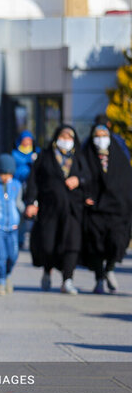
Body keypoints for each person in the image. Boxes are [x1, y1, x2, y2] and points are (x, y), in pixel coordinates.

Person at [24, 125, 88, 295]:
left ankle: (68, 279)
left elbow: (89, 177)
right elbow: (33, 181)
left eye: (70, 137)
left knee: (72, 244)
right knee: (48, 244)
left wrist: (79, 180)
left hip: (72, 209)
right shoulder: (45, 156)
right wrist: (31, 202)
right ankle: (47, 270)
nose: (66, 140)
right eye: (63, 136)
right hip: (49, 209)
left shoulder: (79, 157)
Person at [80, 125, 132, 294]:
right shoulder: (86, 155)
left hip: (116, 208)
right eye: (97, 135)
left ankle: (109, 268)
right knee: (96, 245)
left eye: (104, 135)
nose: (101, 138)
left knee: (116, 242)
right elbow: (81, 178)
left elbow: (126, 182)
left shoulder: (119, 156)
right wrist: (85, 196)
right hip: (94, 210)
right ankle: (99, 277)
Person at [0, 154, 22, 295]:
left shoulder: (17, 185)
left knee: (13, 255)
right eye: (2, 173)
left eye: (7, 173)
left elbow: (19, 203)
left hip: (13, 226)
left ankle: (7, 275)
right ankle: (1, 281)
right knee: (1, 255)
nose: (5, 177)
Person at [11, 130, 41, 250]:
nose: (27, 142)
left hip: (33, 187)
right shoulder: (15, 154)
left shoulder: (36, 153)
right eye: (25, 140)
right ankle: (19, 239)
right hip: (19, 187)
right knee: (21, 211)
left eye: (29, 140)